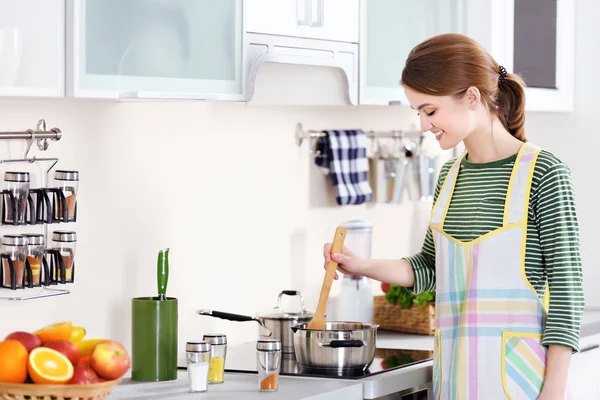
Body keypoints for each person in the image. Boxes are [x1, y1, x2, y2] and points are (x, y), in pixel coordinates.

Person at [323, 33, 584, 400]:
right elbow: (428, 267)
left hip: (525, 385)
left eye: (430, 110)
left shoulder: (543, 173)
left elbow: (567, 289)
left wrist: (554, 389)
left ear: (472, 97)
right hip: (455, 382)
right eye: (418, 112)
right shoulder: (449, 176)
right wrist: (361, 265)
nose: (422, 124)